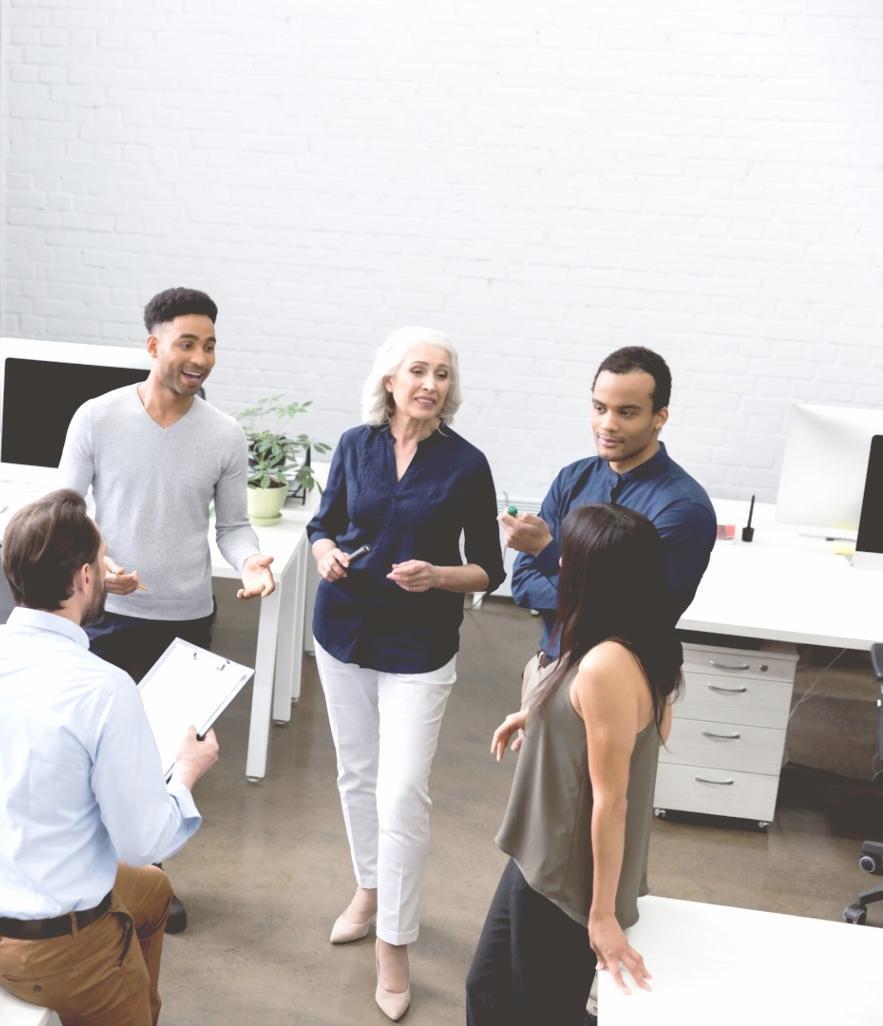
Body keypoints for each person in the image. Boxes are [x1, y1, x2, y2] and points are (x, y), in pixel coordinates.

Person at [0, 489, 220, 1026]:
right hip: (53, 950)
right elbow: (142, 841)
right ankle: (116, 994)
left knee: (154, 893)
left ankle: (132, 993)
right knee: (145, 870)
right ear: (86, 578)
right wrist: (185, 772)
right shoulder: (105, 690)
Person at [59, 285, 273, 933]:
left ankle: (150, 880)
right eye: (186, 343)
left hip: (185, 617)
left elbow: (233, 528)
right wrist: (99, 567)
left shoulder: (224, 435)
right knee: (95, 752)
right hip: (105, 616)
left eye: (209, 345)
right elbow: (65, 512)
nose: (200, 357)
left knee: (165, 759)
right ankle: (89, 878)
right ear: (152, 345)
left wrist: (253, 560)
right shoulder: (96, 418)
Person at [306, 327, 504, 1021]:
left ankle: (395, 943)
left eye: (441, 374)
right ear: (388, 380)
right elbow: (321, 523)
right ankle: (368, 887)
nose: (430, 383)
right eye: (416, 370)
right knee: (356, 776)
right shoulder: (355, 445)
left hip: (419, 648)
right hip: (341, 633)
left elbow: (490, 567)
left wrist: (438, 576)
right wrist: (325, 550)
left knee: (401, 795)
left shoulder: (466, 464)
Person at [466, 503, 681, 1025]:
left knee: (540, 1011)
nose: (560, 565)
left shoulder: (608, 663)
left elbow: (612, 800)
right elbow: (589, 717)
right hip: (537, 852)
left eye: (570, 557)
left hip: (565, 872)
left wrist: (603, 914)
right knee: (488, 990)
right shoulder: (624, 637)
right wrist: (535, 719)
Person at [502, 346, 715, 691]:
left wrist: (546, 552)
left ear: (659, 416)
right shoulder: (573, 479)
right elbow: (524, 584)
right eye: (600, 408)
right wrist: (591, 596)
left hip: (622, 686)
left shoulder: (682, 508)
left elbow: (637, 616)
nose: (607, 425)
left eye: (626, 412)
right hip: (547, 670)